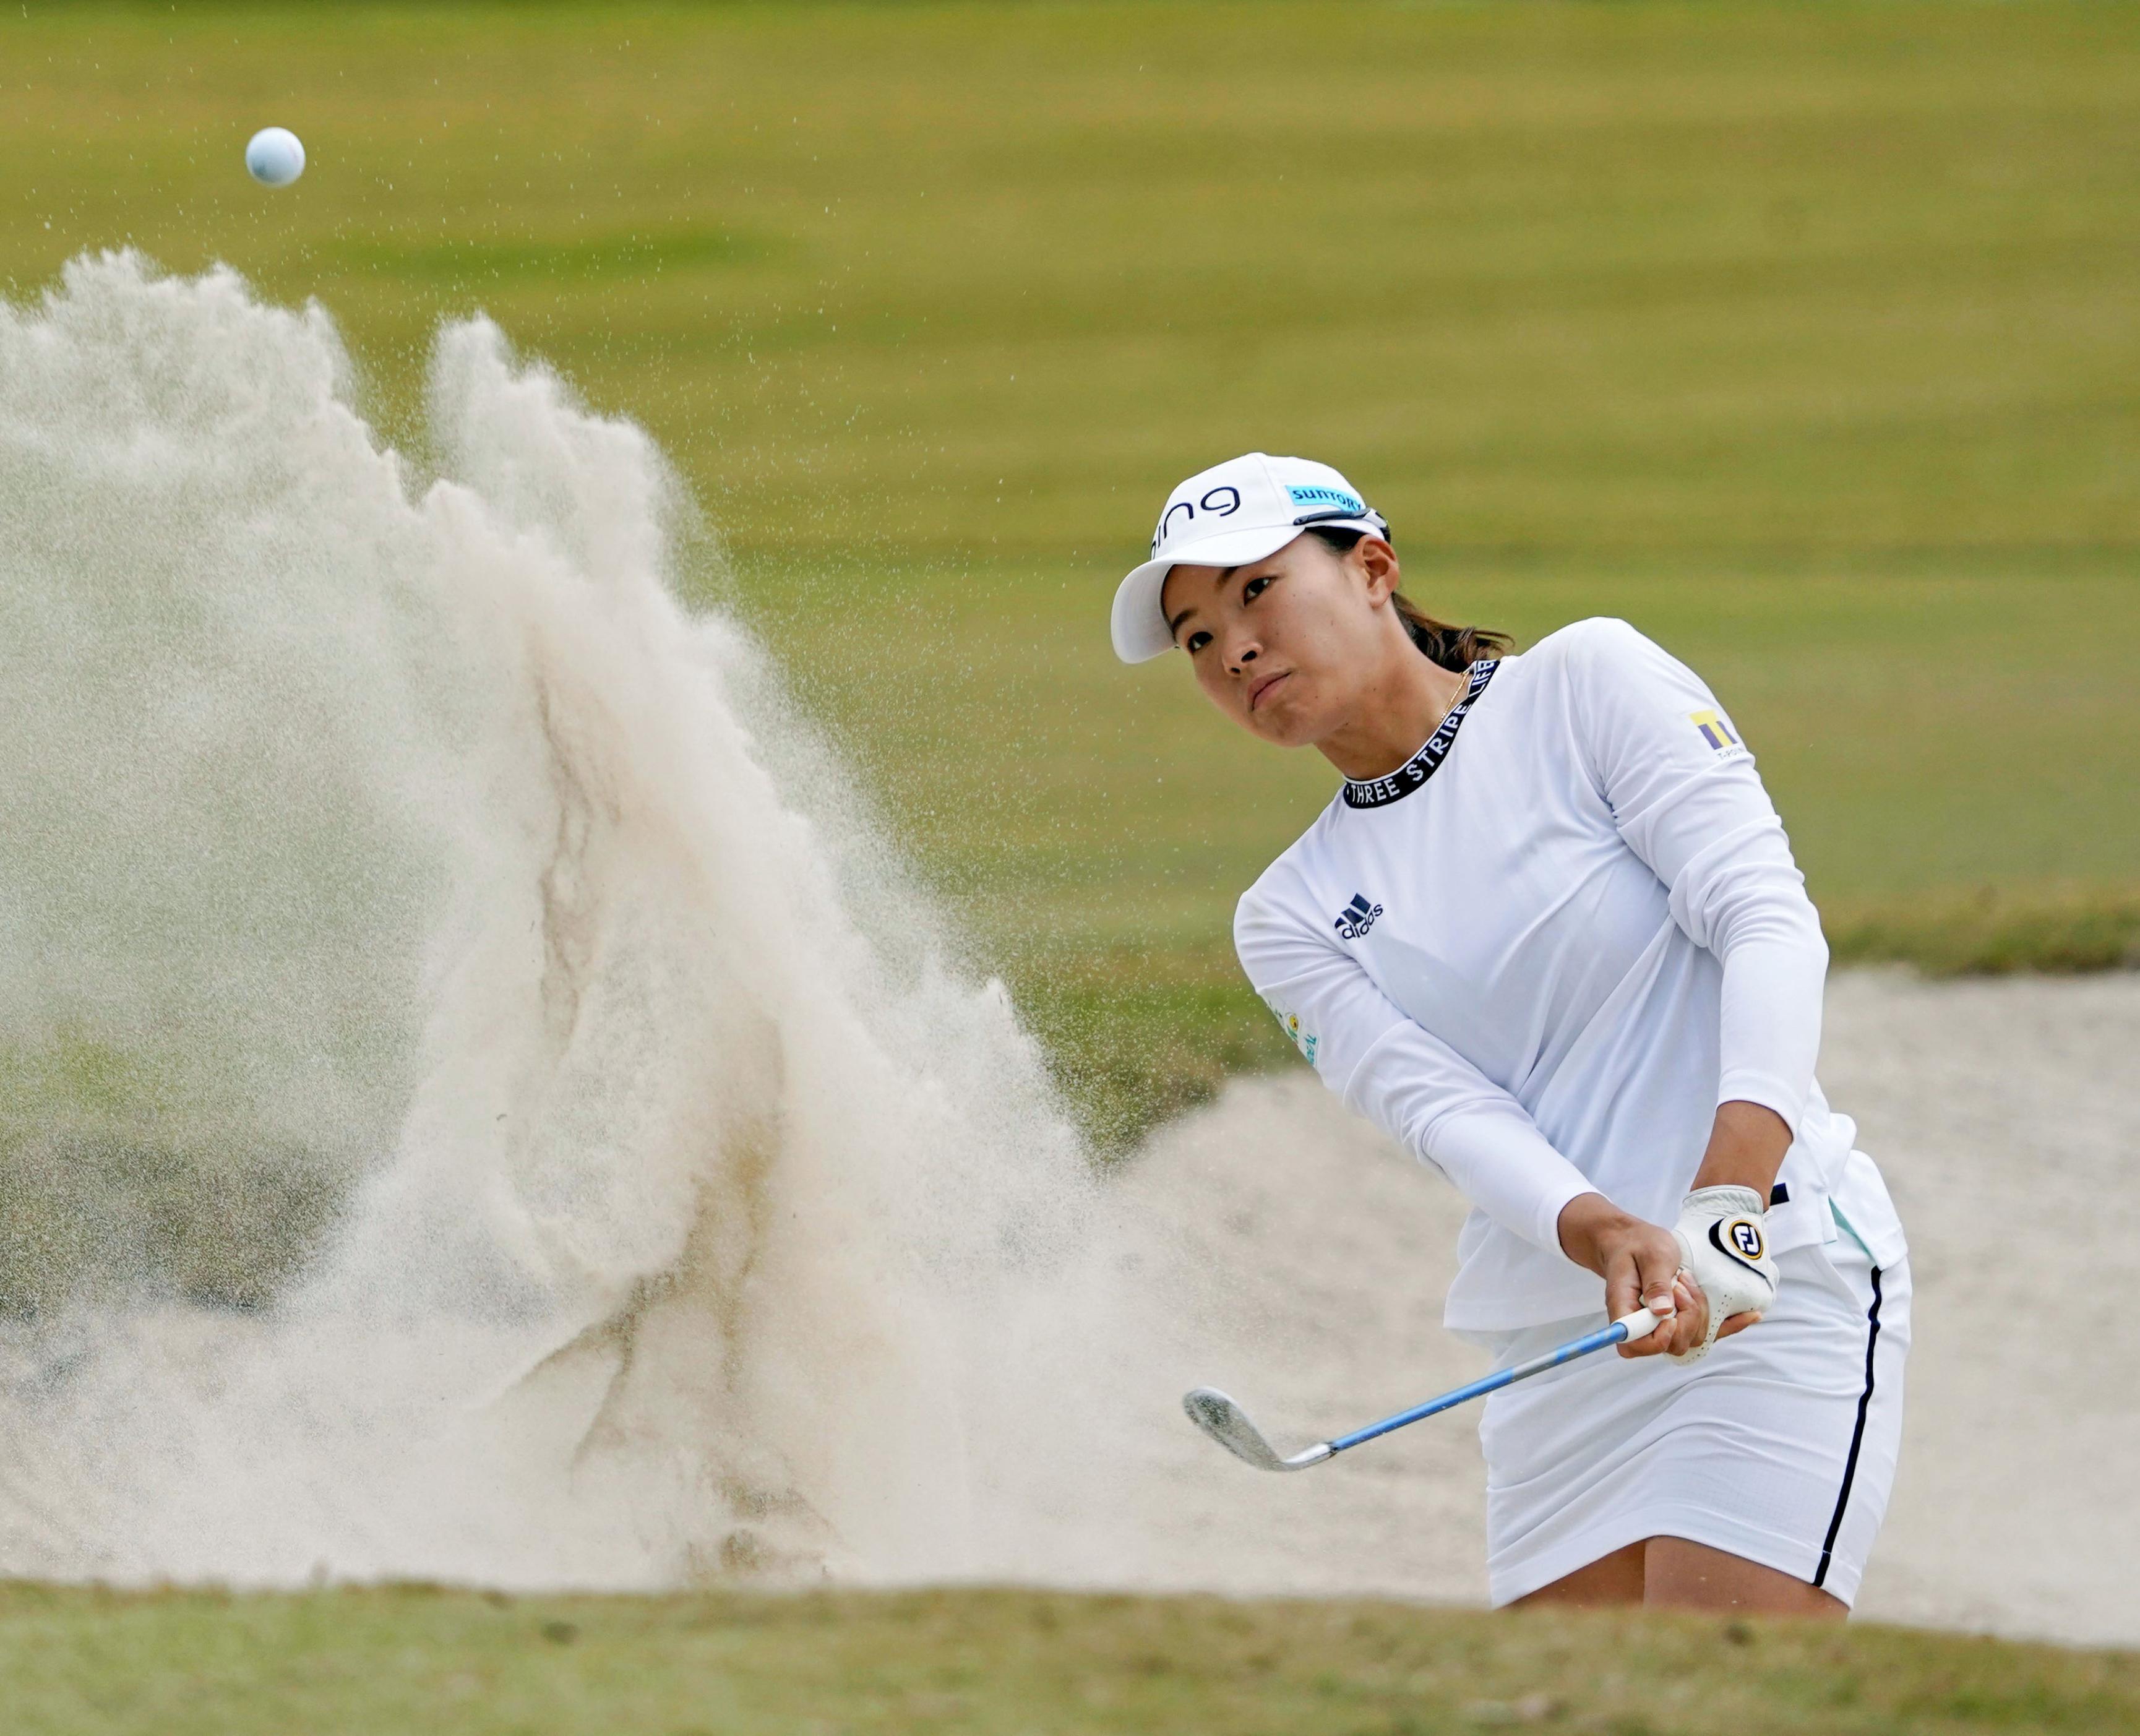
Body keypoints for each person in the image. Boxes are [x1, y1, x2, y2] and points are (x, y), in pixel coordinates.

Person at [1110, 453, 1910, 1616]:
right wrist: (1599, 1231)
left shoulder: (1585, 684)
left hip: (1772, 1277)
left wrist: (1729, 1196)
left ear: (1374, 568)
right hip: (1569, 1340)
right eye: (1193, 635)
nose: (1229, 647)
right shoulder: (1286, 914)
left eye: (1257, 590)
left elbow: (1765, 917)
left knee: (1720, 1699)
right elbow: (1446, 1111)